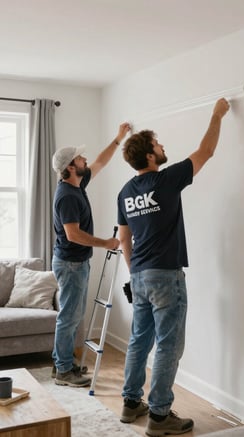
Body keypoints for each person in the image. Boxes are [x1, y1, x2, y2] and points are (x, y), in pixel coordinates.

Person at [117, 98, 230, 436]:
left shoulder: (125, 192)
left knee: (139, 341)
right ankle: (160, 416)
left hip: (138, 273)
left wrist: (135, 272)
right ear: (150, 155)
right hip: (165, 275)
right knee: (168, 345)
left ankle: (130, 402)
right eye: (158, 144)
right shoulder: (165, 181)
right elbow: (206, 151)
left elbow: (124, 239)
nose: (163, 146)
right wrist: (217, 114)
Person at [51, 122, 130, 387]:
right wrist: (106, 242)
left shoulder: (78, 184)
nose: (85, 159)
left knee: (74, 315)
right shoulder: (67, 196)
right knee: (70, 316)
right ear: (70, 167)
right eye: (79, 157)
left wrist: (118, 138)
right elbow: (73, 234)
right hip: (71, 264)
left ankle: (63, 364)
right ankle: (63, 370)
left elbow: (100, 162)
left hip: (77, 262)